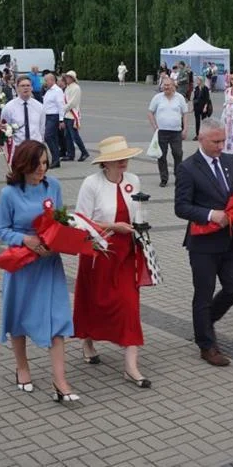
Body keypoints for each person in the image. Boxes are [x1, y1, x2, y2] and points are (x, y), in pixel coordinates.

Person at [0, 141, 79, 404]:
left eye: (45, 163)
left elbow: (61, 221)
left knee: (57, 317)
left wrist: (61, 240)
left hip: (49, 264)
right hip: (22, 264)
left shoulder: (53, 186)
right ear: (23, 164)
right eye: (36, 164)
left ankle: (60, 380)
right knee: (18, 315)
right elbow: (2, 229)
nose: (42, 168)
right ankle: (22, 367)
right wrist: (25, 239)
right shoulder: (9, 193)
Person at [73, 136, 151, 388]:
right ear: (105, 163)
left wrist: (141, 225)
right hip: (99, 252)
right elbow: (81, 220)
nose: (123, 162)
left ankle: (131, 366)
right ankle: (87, 341)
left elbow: (138, 212)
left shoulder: (133, 180)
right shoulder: (91, 184)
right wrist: (113, 226)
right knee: (93, 301)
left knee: (129, 305)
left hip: (127, 253)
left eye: (125, 157)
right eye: (117, 159)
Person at [174, 118, 233, 366]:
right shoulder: (188, 168)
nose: (221, 146)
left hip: (231, 238)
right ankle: (206, 345)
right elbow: (181, 207)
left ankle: (205, 323)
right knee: (203, 294)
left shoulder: (229, 161)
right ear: (201, 139)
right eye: (216, 141)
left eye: (223, 140)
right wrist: (210, 214)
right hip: (203, 244)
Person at [148, 77, 188, 187]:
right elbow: (150, 112)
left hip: (176, 132)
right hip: (162, 131)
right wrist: (154, 126)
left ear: (173, 86)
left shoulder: (180, 98)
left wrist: (185, 129)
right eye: (164, 85)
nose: (166, 87)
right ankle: (164, 178)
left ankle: (178, 177)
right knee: (161, 155)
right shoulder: (157, 98)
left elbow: (185, 114)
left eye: (168, 85)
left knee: (178, 154)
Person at [1, 76, 45, 155]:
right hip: (18, 148)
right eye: (22, 86)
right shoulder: (9, 107)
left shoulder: (39, 107)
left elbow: (42, 128)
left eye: (28, 85)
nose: (26, 88)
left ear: (31, 88)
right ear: (17, 88)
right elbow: (4, 127)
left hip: (35, 147)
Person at [61, 71, 89, 162]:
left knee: (75, 136)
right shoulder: (68, 87)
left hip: (72, 115)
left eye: (69, 77)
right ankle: (70, 154)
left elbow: (73, 102)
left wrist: (63, 109)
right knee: (67, 136)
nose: (67, 79)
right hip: (67, 114)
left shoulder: (76, 88)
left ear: (73, 78)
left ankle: (84, 152)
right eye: (66, 77)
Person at [42, 73, 64, 169]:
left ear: (52, 80)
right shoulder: (49, 91)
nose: (45, 82)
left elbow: (61, 105)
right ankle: (56, 159)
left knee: (48, 136)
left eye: (46, 80)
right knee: (53, 138)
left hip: (54, 116)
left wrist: (61, 120)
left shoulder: (57, 91)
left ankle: (55, 158)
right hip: (47, 116)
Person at [192, 75, 211, 141]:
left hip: (203, 107)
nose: (196, 81)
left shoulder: (205, 88)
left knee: (204, 121)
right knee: (197, 121)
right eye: (196, 80)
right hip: (197, 107)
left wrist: (205, 107)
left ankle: (204, 135)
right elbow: (194, 98)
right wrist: (193, 106)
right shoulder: (196, 88)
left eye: (197, 80)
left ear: (201, 81)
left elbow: (207, 98)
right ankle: (197, 135)